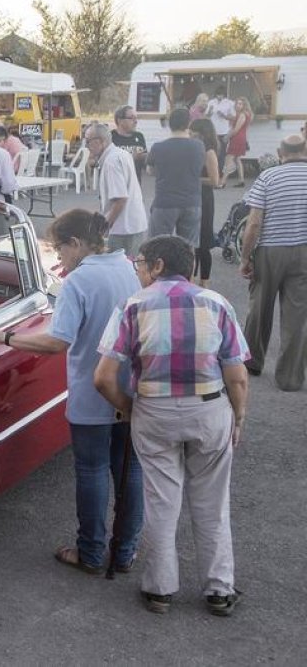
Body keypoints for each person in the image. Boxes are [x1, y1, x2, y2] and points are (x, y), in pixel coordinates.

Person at [0, 209, 143, 575]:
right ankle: (126, 550)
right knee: (129, 471)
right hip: (129, 387)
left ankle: (89, 550)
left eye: (60, 248)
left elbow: (57, 341)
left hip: (91, 389)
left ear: (76, 243)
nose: (59, 257)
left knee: (91, 470)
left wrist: (4, 337)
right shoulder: (128, 267)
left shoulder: (78, 282)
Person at [95, 235, 249, 617]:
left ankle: (160, 589)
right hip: (210, 408)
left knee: (162, 502)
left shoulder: (132, 307)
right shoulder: (217, 304)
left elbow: (103, 378)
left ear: (159, 265)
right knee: (213, 504)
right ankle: (219, 590)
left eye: (142, 263)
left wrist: (128, 408)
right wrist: (239, 414)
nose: (139, 270)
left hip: (154, 410)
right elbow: (237, 375)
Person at [238, 134, 307, 392]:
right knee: (297, 315)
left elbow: (254, 222)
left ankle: (252, 362)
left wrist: (246, 257)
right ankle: (290, 378)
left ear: (281, 152)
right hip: (303, 251)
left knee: (259, 308)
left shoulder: (268, 177)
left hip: (270, 250)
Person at [84, 122, 148, 256]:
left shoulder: (111, 161)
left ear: (100, 141)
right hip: (133, 224)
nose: (86, 146)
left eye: (88, 141)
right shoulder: (121, 154)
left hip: (122, 229)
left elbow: (120, 199)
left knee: (118, 269)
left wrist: (104, 227)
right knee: (131, 267)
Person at [146, 107, 205, 242]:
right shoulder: (199, 146)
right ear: (188, 124)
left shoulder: (158, 147)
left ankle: (160, 263)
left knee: (157, 244)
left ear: (169, 124)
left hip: (165, 202)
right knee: (188, 247)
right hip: (191, 202)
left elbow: (150, 171)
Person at [189, 119, 221, 286]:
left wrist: (194, 179)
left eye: (192, 132)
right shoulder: (195, 149)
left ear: (202, 133)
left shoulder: (209, 152)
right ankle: (191, 280)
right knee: (192, 243)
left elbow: (215, 181)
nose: (189, 134)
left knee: (203, 243)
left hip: (204, 199)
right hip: (192, 197)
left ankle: (204, 282)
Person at [219, 97, 252, 188]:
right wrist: (225, 116)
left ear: (244, 105)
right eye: (237, 103)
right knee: (237, 159)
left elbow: (236, 129)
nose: (238, 105)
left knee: (228, 160)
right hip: (241, 138)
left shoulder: (242, 115)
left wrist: (227, 137)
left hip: (237, 138)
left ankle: (222, 182)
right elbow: (232, 119)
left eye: (240, 104)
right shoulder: (244, 114)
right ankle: (241, 180)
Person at [205, 87, 236, 174]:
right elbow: (207, 116)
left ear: (224, 95)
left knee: (222, 153)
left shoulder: (229, 103)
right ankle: (212, 171)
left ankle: (220, 173)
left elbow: (234, 117)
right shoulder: (211, 102)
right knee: (213, 152)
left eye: (221, 95)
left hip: (224, 131)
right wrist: (210, 110)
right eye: (218, 94)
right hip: (213, 131)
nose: (220, 96)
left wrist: (224, 116)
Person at [111, 105, 148, 178]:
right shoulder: (110, 137)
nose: (135, 121)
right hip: (115, 183)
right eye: (131, 118)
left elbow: (145, 165)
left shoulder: (139, 136)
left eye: (136, 118)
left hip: (135, 185)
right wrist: (131, 157)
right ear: (120, 120)